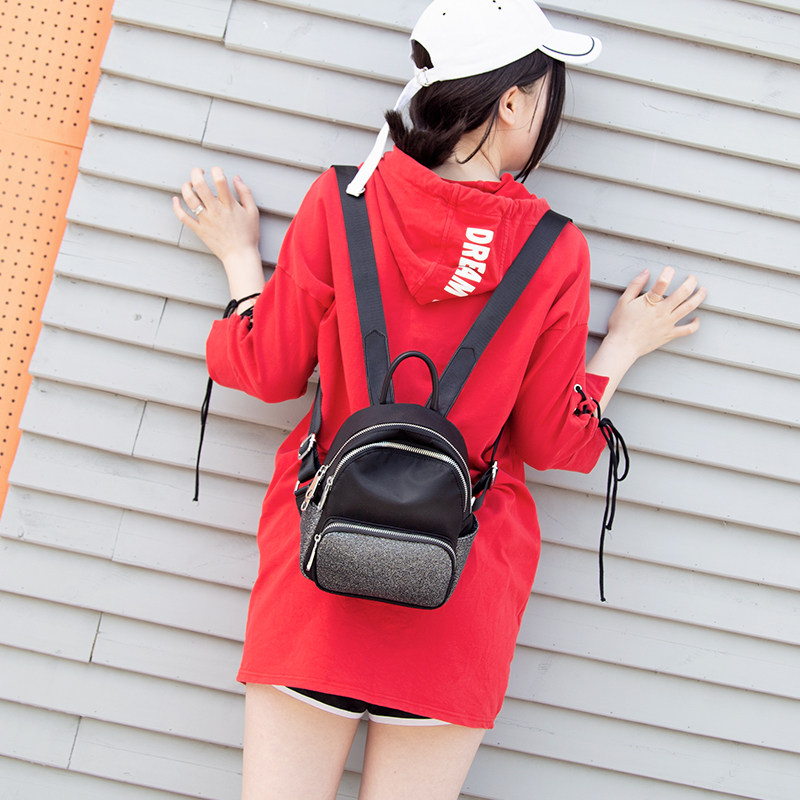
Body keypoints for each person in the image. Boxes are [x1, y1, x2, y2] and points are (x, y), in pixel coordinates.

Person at [172, 1, 706, 797]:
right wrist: (622, 347)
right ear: (513, 101)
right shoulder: (554, 250)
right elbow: (556, 443)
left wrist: (240, 261)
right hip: (458, 588)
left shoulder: (343, 201)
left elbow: (266, 368)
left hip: (319, 569)